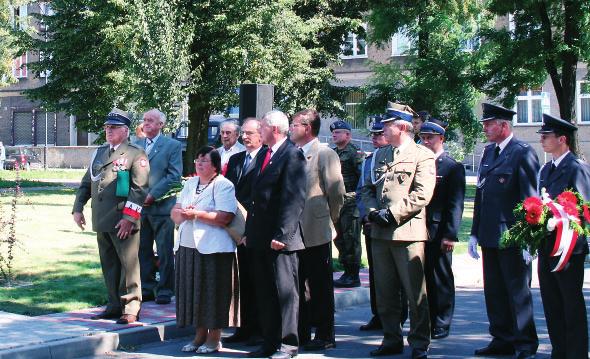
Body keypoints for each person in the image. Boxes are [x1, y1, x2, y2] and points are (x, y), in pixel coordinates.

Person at [360, 107, 436, 359]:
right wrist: (371, 212)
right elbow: (368, 189)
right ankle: (391, 338)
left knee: (415, 292)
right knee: (385, 291)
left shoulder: (422, 155)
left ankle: (419, 342)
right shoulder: (380, 154)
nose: (383, 129)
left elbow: (422, 193)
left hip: (407, 233)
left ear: (402, 127)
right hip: (380, 234)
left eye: (387, 125)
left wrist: (392, 214)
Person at [468, 103, 539, 359]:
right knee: (495, 292)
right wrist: (475, 232)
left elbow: (531, 200)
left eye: (489, 123)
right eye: (485, 124)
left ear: (504, 125)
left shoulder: (523, 152)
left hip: (512, 236)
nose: (485, 128)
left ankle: (525, 343)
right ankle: (502, 339)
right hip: (489, 234)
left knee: (518, 293)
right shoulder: (488, 153)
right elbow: (481, 195)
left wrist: (529, 239)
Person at [72, 109, 149, 325]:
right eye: (107, 127)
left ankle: (131, 307)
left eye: (113, 127)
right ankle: (114, 305)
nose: (108, 131)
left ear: (125, 131)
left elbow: (139, 189)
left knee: (129, 266)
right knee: (109, 265)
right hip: (102, 219)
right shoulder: (99, 152)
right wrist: (78, 208)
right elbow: (87, 182)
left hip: (123, 220)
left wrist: (129, 218)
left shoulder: (135, 154)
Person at [244, 110, 307, 359]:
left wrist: (283, 234)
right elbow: (256, 197)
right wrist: (250, 231)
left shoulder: (292, 154)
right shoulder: (264, 154)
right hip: (260, 236)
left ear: (275, 130)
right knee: (265, 291)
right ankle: (269, 342)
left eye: (262, 128)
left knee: (284, 292)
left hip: (281, 238)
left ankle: (287, 344)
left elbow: (293, 199)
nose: (259, 132)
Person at [171, 146, 239, 354]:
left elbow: (225, 216)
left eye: (204, 161)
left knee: (213, 294)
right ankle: (198, 336)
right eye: (197, 161)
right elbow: (175, 212)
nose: (199, 164)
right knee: (195, 293)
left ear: (215, 166)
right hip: (188, 246)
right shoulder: (190, 183)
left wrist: (197, 215)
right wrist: (181, 213)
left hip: (214, 249)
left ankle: (214, 338)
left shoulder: (223, 185)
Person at [290, 109, 345, 351]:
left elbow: (336, 193)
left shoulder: (325, 154)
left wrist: (331, 222)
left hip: (316, 228)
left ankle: (325, 335)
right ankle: (301, 332)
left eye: (295, 125)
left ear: (308, 128)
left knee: (320, 285)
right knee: (298, 285)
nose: (291, 128)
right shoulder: (292, 154)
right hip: (293, 231)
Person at [536, 114, 590, 359]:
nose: (542, 141)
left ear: (562, 139)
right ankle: (559, 350)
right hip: (547, 245)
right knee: (551, 303)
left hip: (568, 247)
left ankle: (576, 353)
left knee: (571, 303)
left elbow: (585, 207)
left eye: (546, 136)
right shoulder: (547, 168)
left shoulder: (576, 167)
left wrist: (562, 217)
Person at [418, 119, 465, 340]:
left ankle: (442, 321)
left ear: (441, 139)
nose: (426, 141)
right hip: (419, 228)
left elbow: (455, 204)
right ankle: (428, 318)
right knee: (424, 276)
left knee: (440, 276)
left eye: (430, 138)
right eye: (423, 138)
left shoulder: (451, 166)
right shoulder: (420, 162)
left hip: (439, 230)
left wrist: (450, 234)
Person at [224, 117, 264, 345]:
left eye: (250, 133)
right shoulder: (237, 159)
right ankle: (244, 327)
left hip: (257, 228)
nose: (245, 137)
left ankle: (259, 328)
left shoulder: (267, 158)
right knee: (242, 281)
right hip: (236, 228)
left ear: (261, 134)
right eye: (244, 134)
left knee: (258, 280)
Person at [136, 109, 182, 305]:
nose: (146, 123)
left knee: (164, 250)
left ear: (161, 124)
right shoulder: (135, 145)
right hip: (138, 207)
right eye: (144, 120)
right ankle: (146, 288)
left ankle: (165, 289)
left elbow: (174, 176)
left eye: (151, 120)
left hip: (162, 207)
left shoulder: (172, 145)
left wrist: (153, 195)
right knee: (142, 249)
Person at [330, 119, 365, 288]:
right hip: (337, 202)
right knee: (340, 238)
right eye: (333, 133)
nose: (334, 135)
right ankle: (346, 270)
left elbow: (362, 179)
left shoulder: (354, 153)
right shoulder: (333, 152)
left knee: (351, 238)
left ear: (348, 135)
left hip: (351, 202)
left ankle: (353, 274)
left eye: (338, 132)